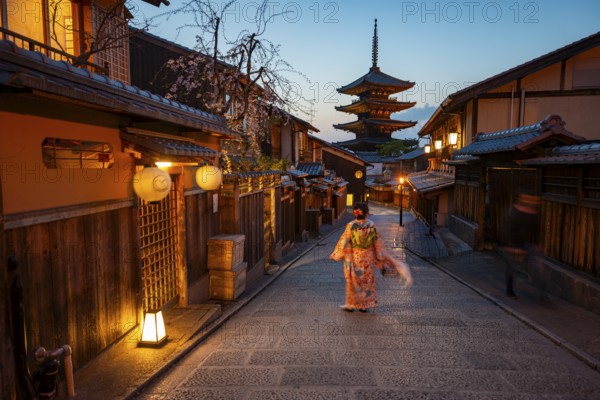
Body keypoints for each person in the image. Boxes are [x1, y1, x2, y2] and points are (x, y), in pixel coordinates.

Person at [330, 202, 383, 312]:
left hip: (355, 257)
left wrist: (337, 254)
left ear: (355, 213)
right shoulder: (371, 225)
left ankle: (351, 305)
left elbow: (344, 241)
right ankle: (364, 305)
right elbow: (376, 242)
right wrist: (379, 255)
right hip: (368, 257)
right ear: (367, 213)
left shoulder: (351, 225)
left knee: (353, 280)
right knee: (366, 281)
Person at [502, 192, 542, 298]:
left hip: (526, 243)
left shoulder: (533, 213)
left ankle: (542, 294)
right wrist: (512, 247)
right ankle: (509, 290)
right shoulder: (515, 211)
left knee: (536, 265)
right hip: (513, 243)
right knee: (511, 267)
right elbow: (509, 229)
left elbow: (535, 230)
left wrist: (536, 244)